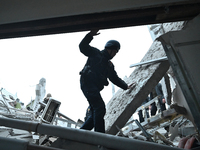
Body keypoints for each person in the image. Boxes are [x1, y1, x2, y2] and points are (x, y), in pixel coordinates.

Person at [79, 30, 133, 133]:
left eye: (116, 52)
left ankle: (79, 134)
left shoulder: (109, 65)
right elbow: (82, 47)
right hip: (87, 84)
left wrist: (126, 86)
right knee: (100, 107)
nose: (115, 54)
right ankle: (100, 136)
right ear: (109, 49)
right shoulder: (95, 54)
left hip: (93, 87)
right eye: (114, 51)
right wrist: (90, 35)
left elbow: (114, 78)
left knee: (95, 113)